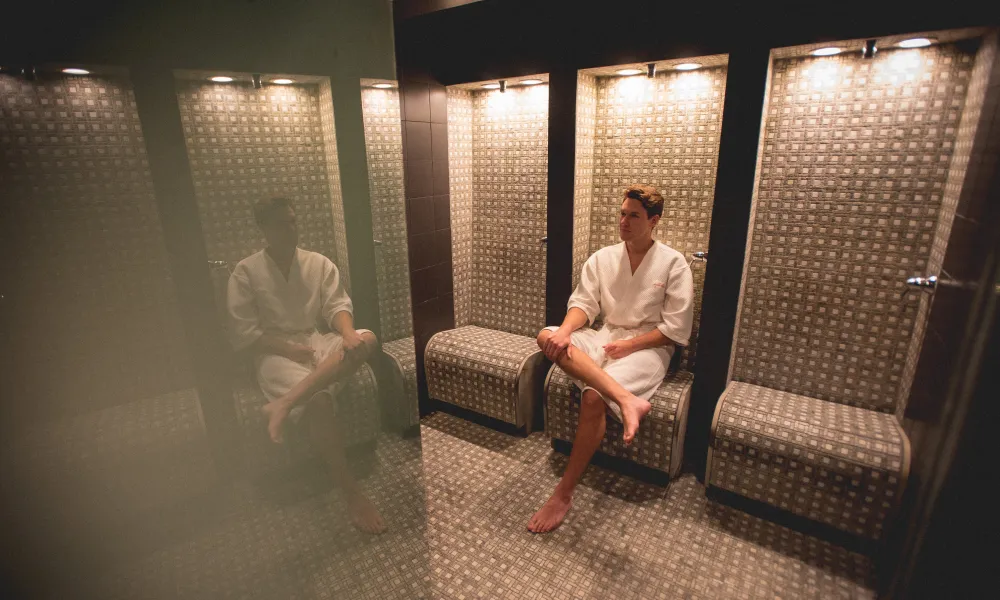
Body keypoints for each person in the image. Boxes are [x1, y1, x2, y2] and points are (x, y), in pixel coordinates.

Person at [528, 185, 694, 534]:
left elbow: (676, 329)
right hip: (607, 336)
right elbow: (583, 306)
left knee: (592, 397)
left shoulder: (673, 263)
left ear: (654, 221)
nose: (624, 221)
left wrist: (633, 345)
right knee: (546, 335)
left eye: (634, 215)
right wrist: (565, 332)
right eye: (622, 213)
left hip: (650, 349)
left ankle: (563, 494)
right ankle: (626, 399)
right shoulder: (603, 258)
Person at [227, 197, 385, 534]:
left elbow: (337, 305)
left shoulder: (317, 263)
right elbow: (244, 332)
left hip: (314, 339)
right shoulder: (246, 271)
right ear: (264, 229)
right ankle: (352, 493)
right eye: (281, 224)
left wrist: (346, 336)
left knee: (367, 338)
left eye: (293, 222)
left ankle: (283, 403)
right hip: (274, 353)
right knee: (320, 400)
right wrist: (285, 348)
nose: (290, 230)